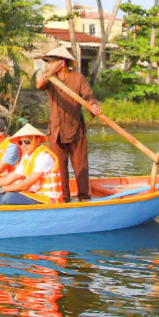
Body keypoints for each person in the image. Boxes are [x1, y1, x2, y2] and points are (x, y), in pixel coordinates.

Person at [35, 44, 100, 201]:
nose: (50, 64)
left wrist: (93, 106)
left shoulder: (78, 78)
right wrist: (50, 72)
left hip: (75, 129)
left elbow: (88, 97)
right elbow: (39, 84)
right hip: (56, 130)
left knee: (80, 165)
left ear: (62, 62)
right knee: (58, 166)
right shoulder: (50, 79)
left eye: (53, 61)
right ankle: (63, 197)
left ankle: (84, 197)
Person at [0, 124, 64, 205]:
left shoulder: (44, 157)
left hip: (47, 200)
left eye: (27, 142)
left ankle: (4, 212)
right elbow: (8, 180)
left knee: (8, 197)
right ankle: (1, 213)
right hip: (34, 195)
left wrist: (0, 189)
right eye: (20, 143)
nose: (23, 145)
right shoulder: (26, 157)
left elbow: (26, 184)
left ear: (37, 141)